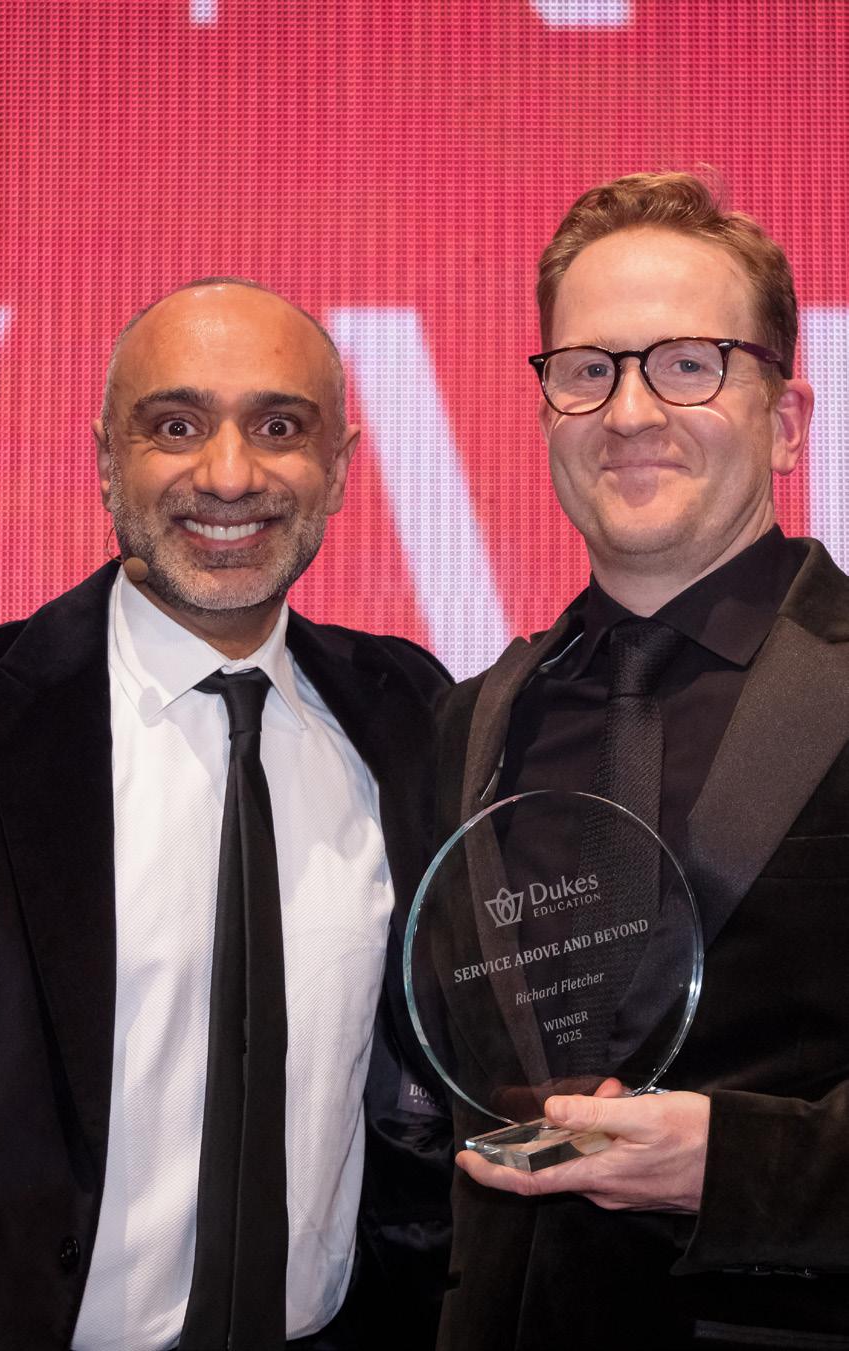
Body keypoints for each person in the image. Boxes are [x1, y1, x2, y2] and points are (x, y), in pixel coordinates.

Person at [0, 278, 452, 1351]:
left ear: (339, 466)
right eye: (177, 426)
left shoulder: (412, 714)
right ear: (107, 458)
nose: (229, 475)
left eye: (279, 428)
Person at [435, 173, 849, 1351]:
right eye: (587, 370)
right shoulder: (468, 724)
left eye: (686, 364)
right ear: (546, 412)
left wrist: (744, 1164)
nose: (627, 412)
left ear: (786, 419)